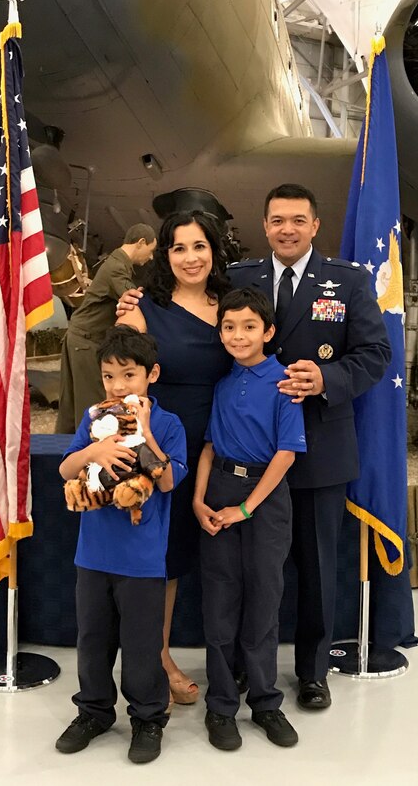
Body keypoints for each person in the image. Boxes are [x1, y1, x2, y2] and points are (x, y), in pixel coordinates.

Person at [226, 183, 391, 710]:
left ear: (316, 225)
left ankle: (313, 672)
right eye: (277, 220)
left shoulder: (346, 282)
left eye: (298, 220)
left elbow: (375, 353)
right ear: (265, 225)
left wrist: (326, 379)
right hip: (249, 454)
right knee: (252, 568)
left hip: (320, 447)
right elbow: (185, 306)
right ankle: (247, 667)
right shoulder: (238, 279)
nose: (287, 229)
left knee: (318, 569)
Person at [55, 326, 187, 764]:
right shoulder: (95, 419)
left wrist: (144, 432)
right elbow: (65, 468)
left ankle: (148, 718)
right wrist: (96, 453)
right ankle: (93, 710)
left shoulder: (169, 424)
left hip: (142, 560)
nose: (117, 385)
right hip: (93, 555)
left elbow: (167, 479)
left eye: (128, 375)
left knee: (141, 645)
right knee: (92, 640)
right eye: (109, 376)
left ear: (152, 375)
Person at [116, 210, 232, 705]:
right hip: (165, 446)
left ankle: (236, 668)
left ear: (214, 251)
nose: (190, 257)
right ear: (165, 255)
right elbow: (122, 382)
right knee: (162, 562)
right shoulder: (144, 307)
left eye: (199, 246)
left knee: (220, 559)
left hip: (225, 446)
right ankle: (156, 659)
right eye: (179, 247)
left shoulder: (233, 304)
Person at [193, 287, 305, 751]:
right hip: (219, 490)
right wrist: (199, 501)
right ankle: (221, 705)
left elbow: (286, 454)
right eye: (229, 327)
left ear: (269, 332)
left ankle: (265, 701)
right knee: (220, 603)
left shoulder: (283, 382)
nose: (238, 336)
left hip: (264, 499)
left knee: (263, 599)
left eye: (249, 326)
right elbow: (209, 447)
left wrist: (246, 508)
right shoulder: (222, 384)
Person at [56, 223, 157, 434]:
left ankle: (66, 453)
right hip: (86, 340)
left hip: (80, 338)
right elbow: (133, 300)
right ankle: (89, 457)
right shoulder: (117, 268)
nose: (151, 257)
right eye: (151, 250)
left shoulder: (116, 264)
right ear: (140, 243)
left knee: (72, 404)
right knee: (92, 406)